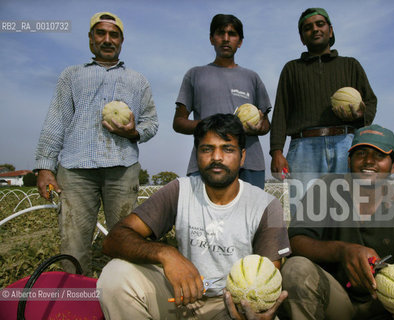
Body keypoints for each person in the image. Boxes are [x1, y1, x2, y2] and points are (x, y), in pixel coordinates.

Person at [97, 114, 290, 320]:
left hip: (232, 307)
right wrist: (166, 254)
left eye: (227, 149)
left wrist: (253, 313)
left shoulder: (267, 205)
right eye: (207, 149)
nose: (217, 157)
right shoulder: (180, 190)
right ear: (197, 154)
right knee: (116, 276)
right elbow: (114, 239)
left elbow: (267, 281)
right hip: (180, 296)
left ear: (242, 157)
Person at [281, 124, 394, 320]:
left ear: (393, 166)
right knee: (296, 270)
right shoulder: (326, 188)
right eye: (361, 153)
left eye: (380, 155)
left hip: (384, 307)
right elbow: (297, 241)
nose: (369, 161)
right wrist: (343, 251)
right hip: (335, 302)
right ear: (350, 160)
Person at [34, 12, 158, 275]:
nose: (107, 39)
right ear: (91, 39)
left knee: (125, 238)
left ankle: (125, 297)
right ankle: (77, 299)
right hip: (76, 169)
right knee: (73, 243)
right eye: (100, 33)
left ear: (121, 41)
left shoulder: (138, 80)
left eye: (114, 35)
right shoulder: (72, 76)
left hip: (122, 168)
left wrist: (133, 133)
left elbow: (152, 122)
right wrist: (45, 167)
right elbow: (56, 120)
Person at [270, 8, 377, 193]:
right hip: (304, 147)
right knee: (305, 213)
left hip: (346, 144)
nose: (315, 29)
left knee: (347, 210)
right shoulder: (291, 69)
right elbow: (281, 113)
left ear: (331, 30)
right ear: (302, 38)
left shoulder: (350, 65)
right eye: (307, 27)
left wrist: (361, 114)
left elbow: (371, 101)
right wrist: (276, 151)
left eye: (320, 24)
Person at [173, 14, 271, 190]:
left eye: (232, 34)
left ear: (240, 41)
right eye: (220, 33)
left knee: (250, 217)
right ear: (212, 38)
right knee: (205, 217)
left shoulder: (252, 77)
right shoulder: (195, 74)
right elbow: (178, 122)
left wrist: (258, 126)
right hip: (208, 162)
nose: (226, 39)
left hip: (249, 164)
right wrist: (212, 126)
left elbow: (266, 125)